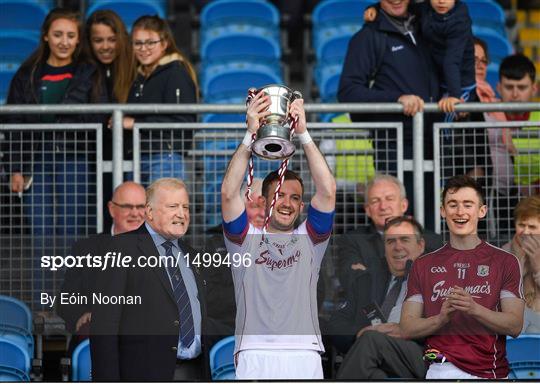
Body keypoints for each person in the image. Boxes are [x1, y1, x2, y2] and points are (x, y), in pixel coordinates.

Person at [221, 92, 336, 379]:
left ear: (301, 205)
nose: (287, 203)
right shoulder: (244, 240)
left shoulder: (311, 239)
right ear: (263, 200)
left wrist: (304, 135)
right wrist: (249, 136)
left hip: (304, 352)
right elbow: (228, 193)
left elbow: (328, 191)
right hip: (254, 351)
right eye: (280, 195)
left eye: (295, 198)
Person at [400, 175, 524, 379]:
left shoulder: (505, 261)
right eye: (452, 204)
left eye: (468, 204)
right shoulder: (423, 264)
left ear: (482, 211)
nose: (460, 212)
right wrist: (440, 318)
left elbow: (514, 325)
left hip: (486, 373)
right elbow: (406, 327)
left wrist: (474, 309)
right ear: (442, 211)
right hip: (438, 369)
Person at [91, 178, 210, 380]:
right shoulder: (120, 249)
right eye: (173, 206)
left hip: (195, 372)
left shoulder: (192, 255)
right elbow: (104, 327)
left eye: (185, 207)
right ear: (150, 212)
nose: (181, 214)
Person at [337, 0, 440, 229]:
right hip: (395, 146)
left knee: (433, 227)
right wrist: (396, 99)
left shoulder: (427, 26)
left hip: (436, 143)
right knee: (399, 227)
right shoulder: (368, 36)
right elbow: (348, 91)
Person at [7, 8, 96, 236]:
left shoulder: (88, 73)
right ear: (46, 36)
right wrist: (15, 168)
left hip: (75, 155)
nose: (64, 42)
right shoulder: (27, 74)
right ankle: (43, 274)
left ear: (78, 40)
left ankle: (70, 274)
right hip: (35, 156)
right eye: (58, 35)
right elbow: (14, 123)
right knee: (40, 228)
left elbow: (97, 114)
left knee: (72, 227)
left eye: (70, 35)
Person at [330, 216, 428, 379]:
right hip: (372, 355)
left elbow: (445, 325)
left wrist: (403, 330)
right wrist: (358, 334)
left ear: (420, 245)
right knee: (375, 376)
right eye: (390, 242)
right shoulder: (368, 280)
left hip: (418, 354)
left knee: (372, 340)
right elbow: (335, 323)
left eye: (405, 240)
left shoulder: (434, 280)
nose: (397, 247)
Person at [58, 181, 146, 348]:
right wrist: (81, 315)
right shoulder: (85, 249)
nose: (135, 213)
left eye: (141, 206)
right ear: (112, 209)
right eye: (127, 206)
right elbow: (67, 298)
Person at [364, 0, 475, 115]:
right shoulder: (425, 8)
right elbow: (397, 5)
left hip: (461, 85)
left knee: (448, 129)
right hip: (442, 82)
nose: (441, 1)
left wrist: (455, 95)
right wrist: (374, 8)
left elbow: (451, 61)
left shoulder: (460, 22)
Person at [123, 15, 198, 185]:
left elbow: (183, 123)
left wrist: (134, 123)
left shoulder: (176, 73)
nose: (143, 48)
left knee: (161, 211)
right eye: (138, 43)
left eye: (150, 42)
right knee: (137, 212)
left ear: (164, 44)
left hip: (165, 158)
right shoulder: (138, 76)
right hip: (137, 157)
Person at [337, 174, 442, 293]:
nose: (383, 207)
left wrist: (369, 271)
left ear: (404, 205)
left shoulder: (432, 241)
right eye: (375, 201)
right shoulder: (352, 240)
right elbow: (352, 283)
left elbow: (436, 284)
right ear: (367, 209)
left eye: (389, 199)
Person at [83, 10, 137, 227]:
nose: (105, 46)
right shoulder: (83, 71)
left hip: (129, 155)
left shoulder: (134, 70)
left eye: (111, 39)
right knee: (100, 218)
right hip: (92, 156)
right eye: (98, 40)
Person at [203, 178, 265, 330]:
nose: (263, 214)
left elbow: (315, 292)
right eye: (255, 206)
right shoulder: (216, 245)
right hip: (230, 329)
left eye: (268, 207)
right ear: (240, 209)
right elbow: (209, 298)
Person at [503, 195, 540, 333]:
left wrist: (537, 266)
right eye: (521, 225)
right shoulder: (505, 251)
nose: (525, 232)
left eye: (532, 226)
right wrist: (519, 261)